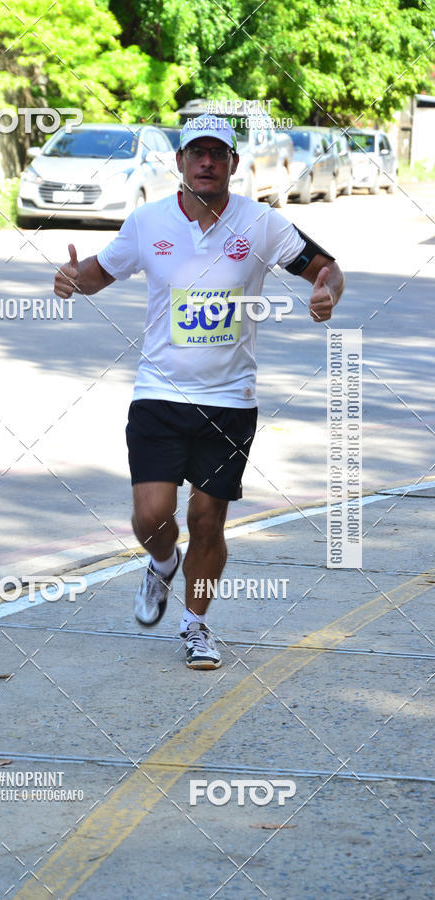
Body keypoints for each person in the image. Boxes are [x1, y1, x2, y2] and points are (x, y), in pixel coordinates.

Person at [54, 115, 344, 670]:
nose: (207, 162)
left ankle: (195, 625)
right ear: (182, 162)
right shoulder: (148, 221)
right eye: (197, 153)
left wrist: (327, 292)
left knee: (208, 520)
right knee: (152, 517)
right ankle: (162, 562)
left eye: (218, 153)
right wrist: (70, 279)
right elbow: (101, 272)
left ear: (234, 164)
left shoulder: (260, 224)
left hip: (230, 400)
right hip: (158, 393)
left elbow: (326, 268)